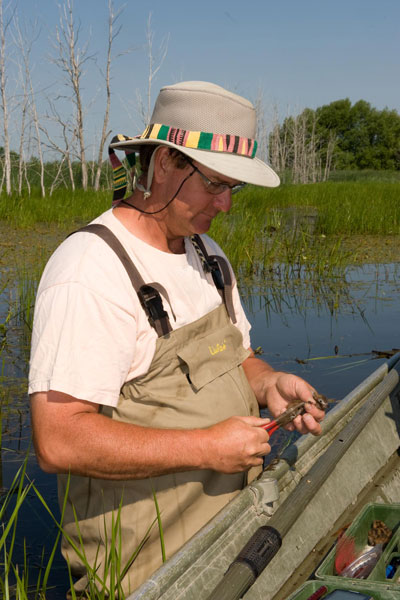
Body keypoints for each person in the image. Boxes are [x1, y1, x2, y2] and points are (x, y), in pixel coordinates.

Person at [29, 81, 325, 595]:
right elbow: (58, 439)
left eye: (235, 187)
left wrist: (270, 383)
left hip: (235, 546)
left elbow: (240, 359)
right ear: (164, 163)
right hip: (152, 577)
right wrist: (205, 448)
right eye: (215, 184)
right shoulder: (89, 270)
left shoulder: (207, 254)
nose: (226, 204)